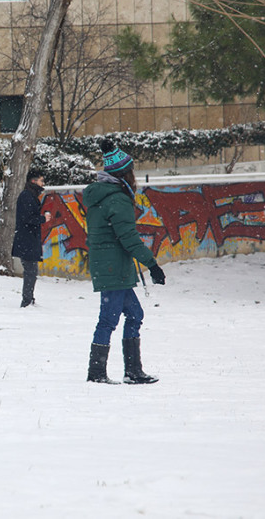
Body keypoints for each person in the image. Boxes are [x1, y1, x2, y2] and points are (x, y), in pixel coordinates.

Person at [82, 140, 165, 384]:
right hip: (113, 267)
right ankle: (97, 373)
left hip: (109, 265)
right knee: (108, 319)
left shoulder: (102, 195)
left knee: (135, 313)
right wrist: (152, 265)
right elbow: (128, 237)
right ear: (125, 174)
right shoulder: (117, 199)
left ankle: (133, 371)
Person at [12, 167, 52, 307]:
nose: (43, 183)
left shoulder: (30, 195)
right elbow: (28, 217)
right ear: (33, 181)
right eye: (41, 181)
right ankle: (27, 301)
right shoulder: (27, 195)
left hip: (28, 239)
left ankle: (29, 299)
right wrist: (42, 218)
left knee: (31, 270)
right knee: (30, 270)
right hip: (27, 239)